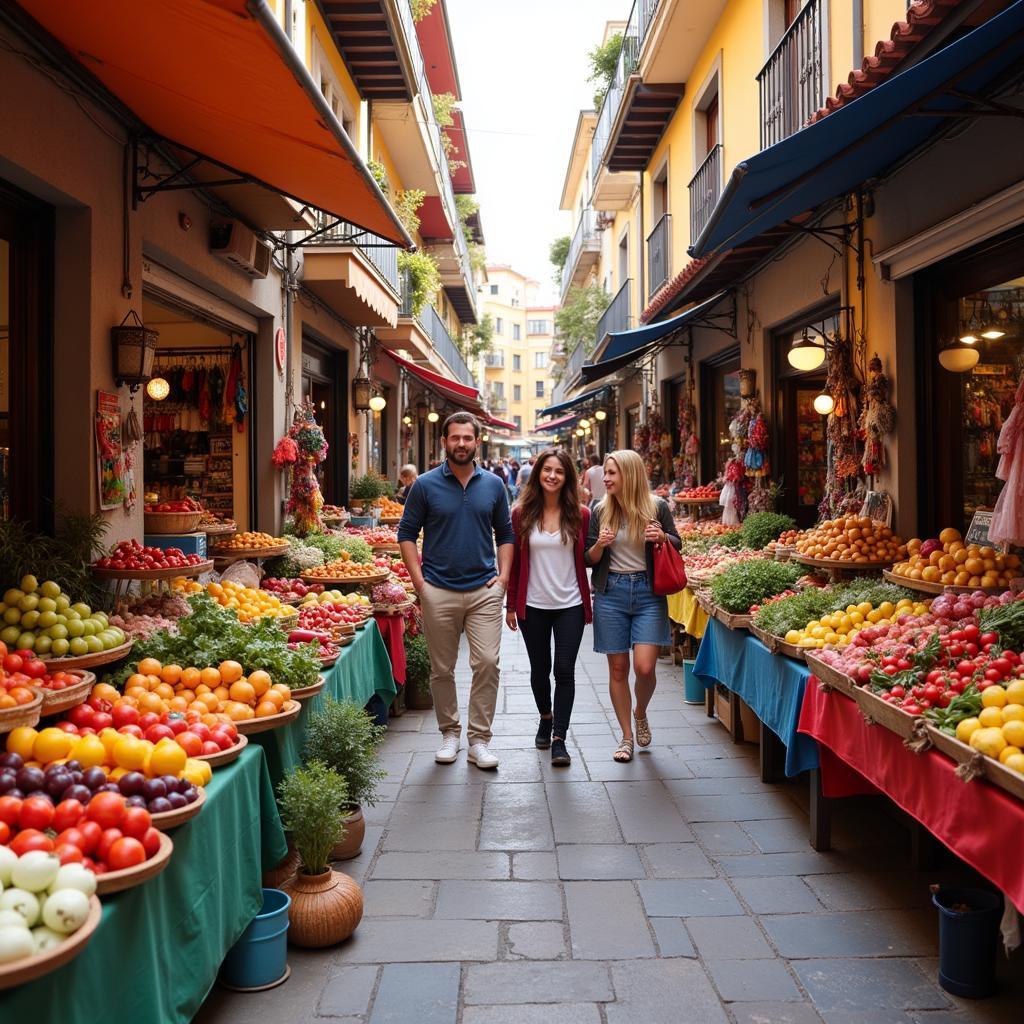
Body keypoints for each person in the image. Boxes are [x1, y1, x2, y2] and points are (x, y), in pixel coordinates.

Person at [397, 411, 514, 770]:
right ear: (444, 442)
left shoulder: (494, 485)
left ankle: (479, 740)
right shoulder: (425, 485)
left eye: (467, 438)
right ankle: (450, 732)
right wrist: (420, 584)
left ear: (477, 442)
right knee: (441, 668)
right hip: (439, 590)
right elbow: (405, 534)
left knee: (488, 664)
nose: (461, 443)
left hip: (483, 589)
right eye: (455, 438)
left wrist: (504, 579)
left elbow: (507, 535)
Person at [584, 449, 681, 763]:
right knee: (618, 668)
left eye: (612, 473)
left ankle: (640, 711)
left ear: (630, 474)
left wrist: (662, 537)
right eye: (606, 473)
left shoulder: (657, 506)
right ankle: (626, 736)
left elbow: (678, 542)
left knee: (645, 667)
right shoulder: (599, 509)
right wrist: (600, 544)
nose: (606, 479)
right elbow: (588, 559)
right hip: (611, 592)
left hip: (647, 593)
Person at [505, 449, 592, 766]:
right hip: (533, 605)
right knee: (540, 671)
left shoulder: (581, 514)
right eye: (547, 470)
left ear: (567, 477)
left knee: (564, 671)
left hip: (570, 604)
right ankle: (545, 715)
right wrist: (511, 604)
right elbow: (514, 563)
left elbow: (588, 558)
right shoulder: (521, 513)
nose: (552, 476)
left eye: (559, 471)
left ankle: (559, 738)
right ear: (538, 473)